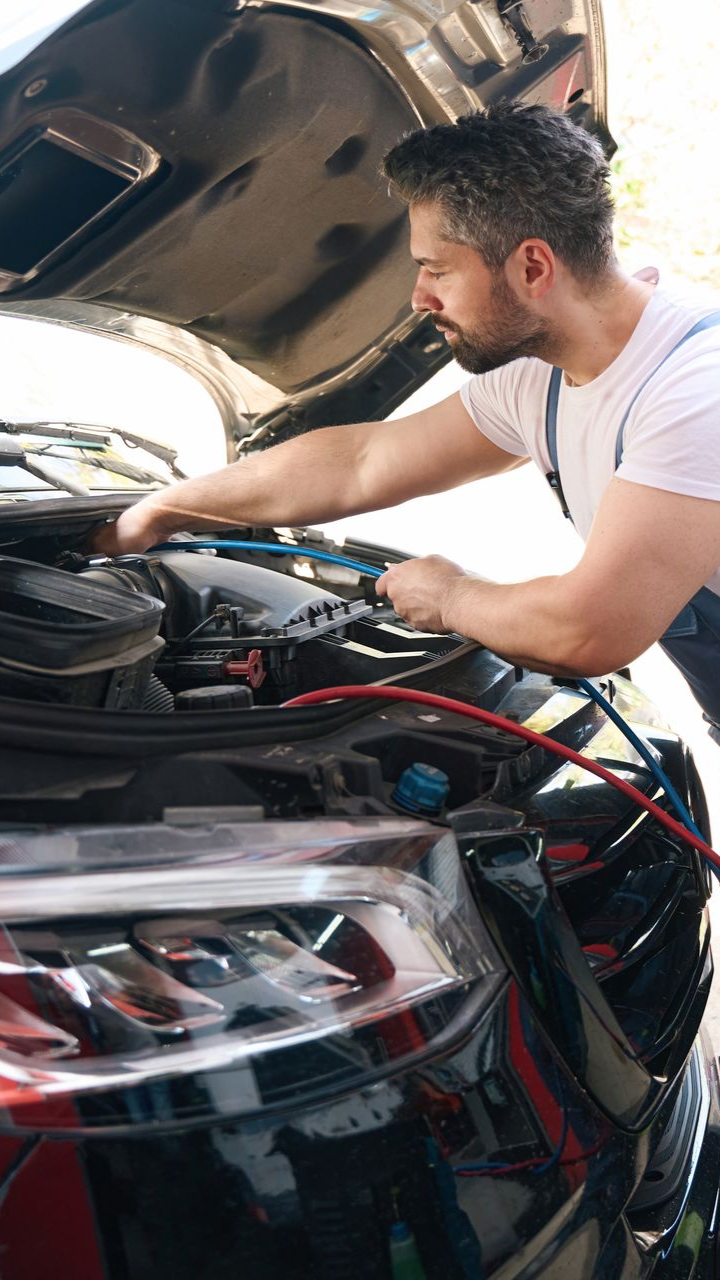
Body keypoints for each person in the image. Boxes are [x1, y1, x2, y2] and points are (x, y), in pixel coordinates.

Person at [91, 101, 720, 730]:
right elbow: (360, 464)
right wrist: (162, 509)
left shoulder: (696, 392)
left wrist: (451, 596)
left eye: (436, 269)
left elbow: (588, 630)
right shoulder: (541, 375)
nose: (420, 298)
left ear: (533, 267)